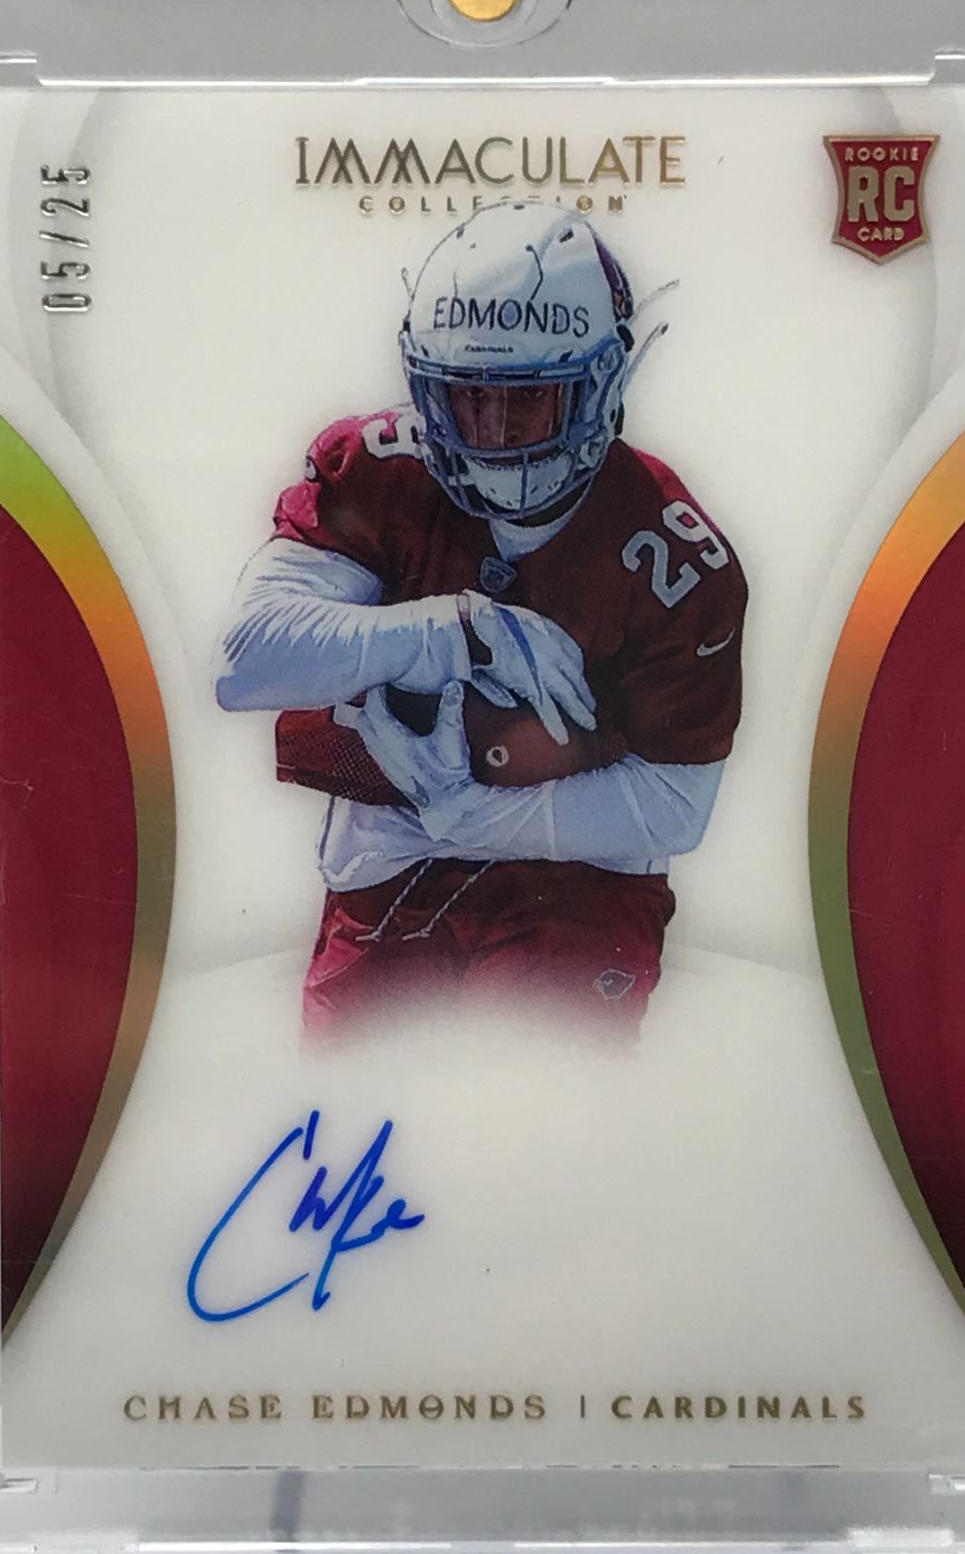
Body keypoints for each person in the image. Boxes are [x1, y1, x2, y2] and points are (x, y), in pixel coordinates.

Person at [217, 198, 746, 1039]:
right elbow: (246, 660)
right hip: (388, 873)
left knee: (536, 1097)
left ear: (600, 385)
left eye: (530, 402)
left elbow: (676, 803)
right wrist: (447, 632)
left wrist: (466, 805)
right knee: (356, 1097)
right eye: (469, 400)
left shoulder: (671, 554)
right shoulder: (382, 471)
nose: (495, 436)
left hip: (578, 885)